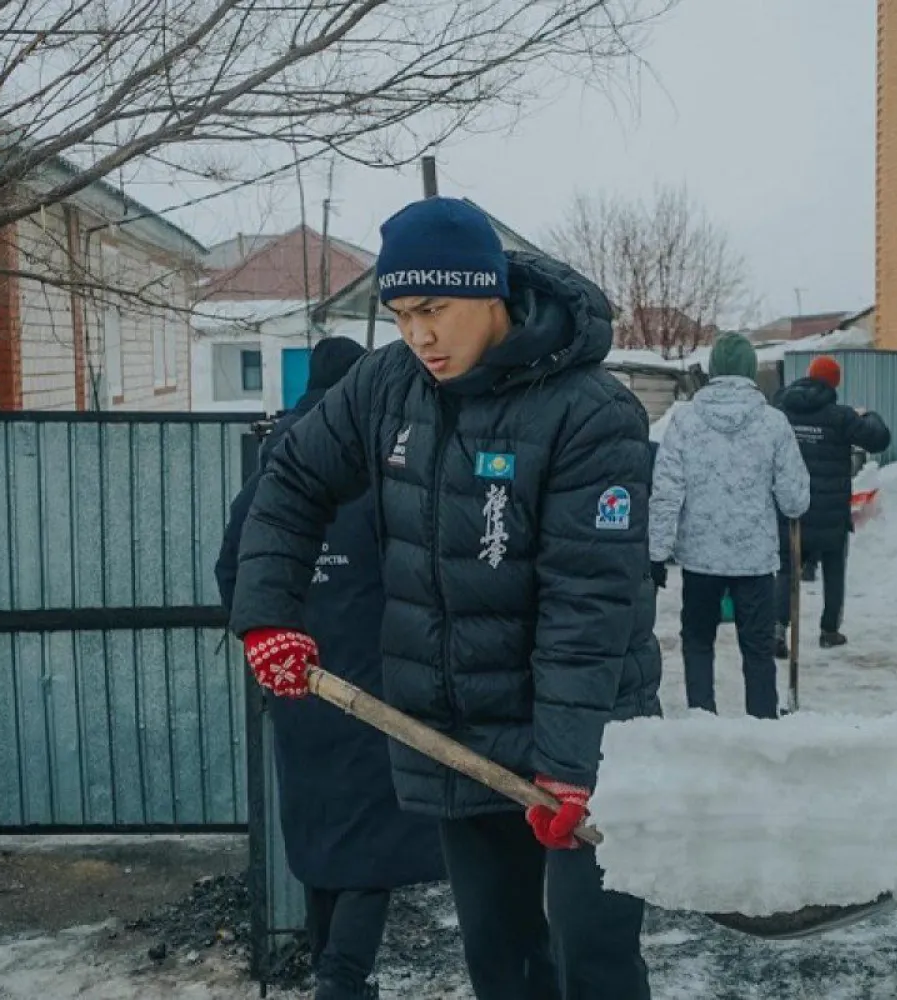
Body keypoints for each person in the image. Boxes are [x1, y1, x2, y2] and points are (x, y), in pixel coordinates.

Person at [229, 197, 660, 1000]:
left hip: (590, 733)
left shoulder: (591, 411)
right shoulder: (387, 386)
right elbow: (288, 482)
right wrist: (268, 617)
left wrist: (570, 769)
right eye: (400, 315)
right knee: (503, 961)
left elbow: (587, 601)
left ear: (489, 291)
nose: (419, 335)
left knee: (592, 956)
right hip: (461, 734)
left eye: (434, 309)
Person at [216, 337, 445, 1000]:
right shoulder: (377, 465)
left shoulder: (273, 469)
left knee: (322, 836)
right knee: (372, 842)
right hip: (371, 679)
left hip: (297, 678)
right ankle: (343, 980)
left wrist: (268, 634)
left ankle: (336, 972)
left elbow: (235, 568)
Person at [649, 333, 811, 719]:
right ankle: (762, 725)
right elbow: (795, 500)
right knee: (757, 649)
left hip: (700, 558)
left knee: (698, 641)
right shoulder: (774, 423)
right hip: (754, 560)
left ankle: (702, 720)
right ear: (751, 370)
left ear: (713, 370)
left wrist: (656, 553)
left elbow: (666, 490)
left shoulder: (684, 420)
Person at [773, 355, 892, 654]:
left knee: (787, 570)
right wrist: (868, 416)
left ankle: (777, 630)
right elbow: (879, 440)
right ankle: (829, 630)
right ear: (835, 383)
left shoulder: (781, 410)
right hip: (831, 513)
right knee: (834, 569)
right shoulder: (841, 417)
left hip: (791, 509)